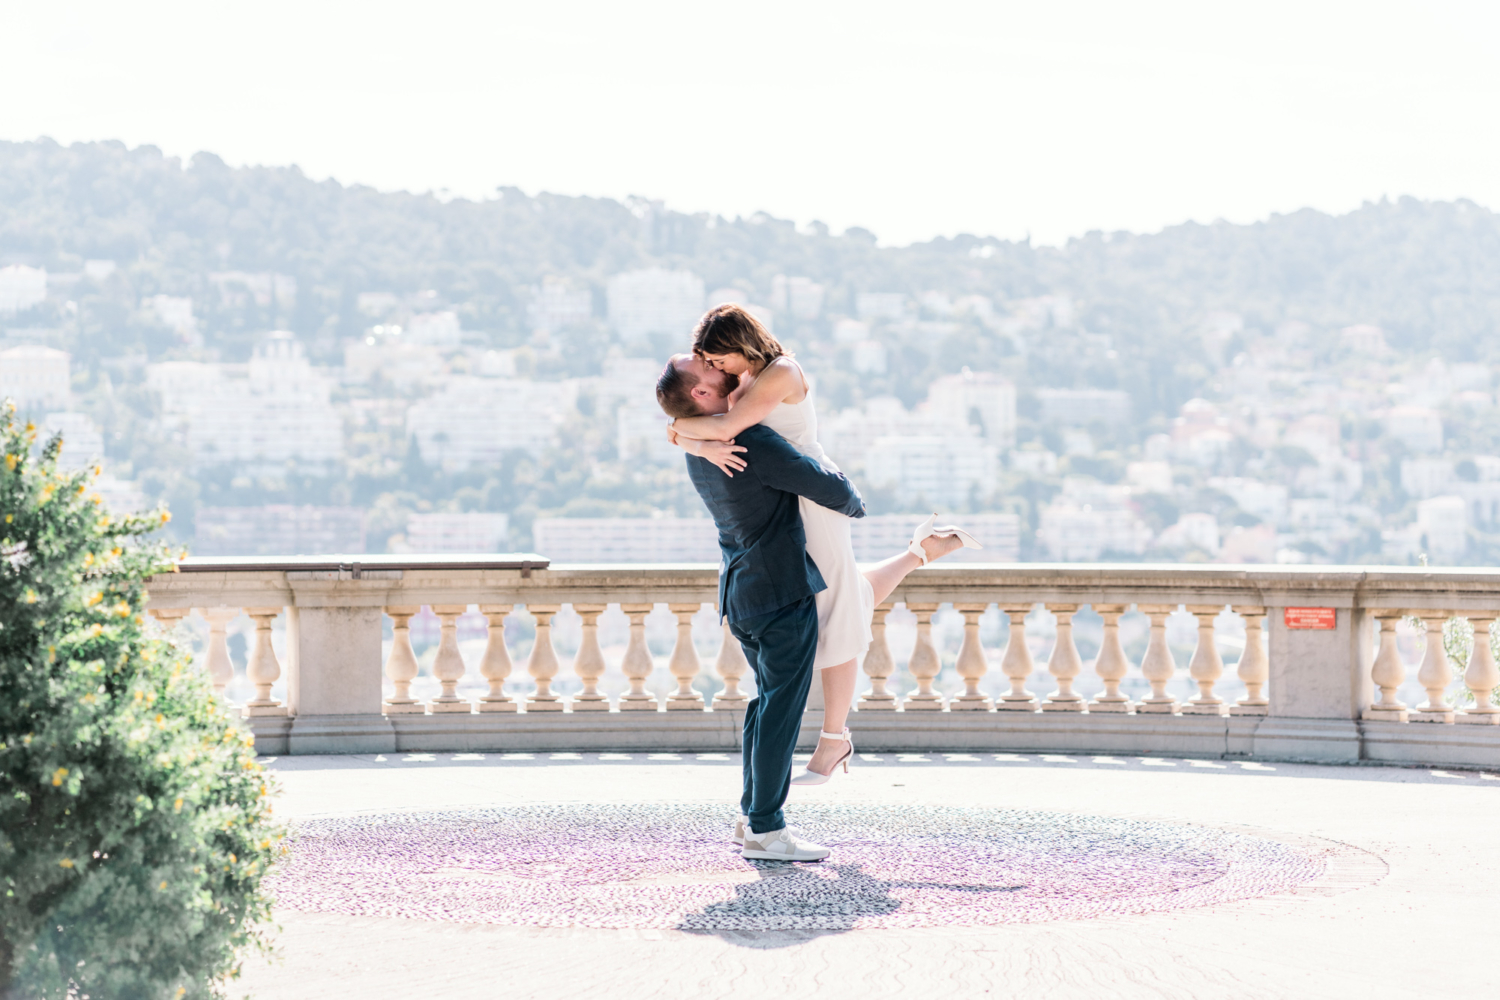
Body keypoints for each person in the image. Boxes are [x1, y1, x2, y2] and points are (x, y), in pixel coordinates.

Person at [660, 304, 981, 784]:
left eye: (716, 358)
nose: (715, 368)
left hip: (812, 493)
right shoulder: (743, 381)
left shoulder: (780, 372)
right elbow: (694, 420)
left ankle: (834, 738)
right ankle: (919, 553)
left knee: (839, 609)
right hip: (788, 493)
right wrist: (685, 436)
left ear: (738, 344)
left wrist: (688, 438)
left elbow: (722, 428)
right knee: (845, 591)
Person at [657, 352, 861, 861]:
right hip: (780, 591)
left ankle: (752, 818)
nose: (719, 367)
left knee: (764, 707)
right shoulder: (748, 439)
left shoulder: (699, 447)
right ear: (702, 395)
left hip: (743, 592)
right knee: (779, 714)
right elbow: (833, 491)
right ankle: (767, 829)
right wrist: (852, 496)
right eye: (706, 367)